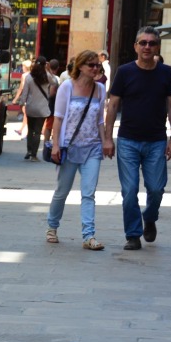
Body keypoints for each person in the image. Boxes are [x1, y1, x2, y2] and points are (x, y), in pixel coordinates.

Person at [103, 26, 171, 250]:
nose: (147, 47)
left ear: (158, 46)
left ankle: (150, 218)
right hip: (128, 140)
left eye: (152, 43)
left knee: (156, 189)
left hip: (156, 141)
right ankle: (133, 234)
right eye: (143, 43)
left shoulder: (165, 72)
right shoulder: (125, 72)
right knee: (129, 191)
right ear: (135, 46)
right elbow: (113, 104)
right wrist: (108, 138)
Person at [46, 50, 108, 250]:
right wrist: (56, 144)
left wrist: (105, 140)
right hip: (70, 148)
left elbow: (100, 120)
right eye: (91, 65)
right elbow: (58, 118)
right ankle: (52, 227)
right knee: (62, 191)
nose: (96, 68)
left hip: (92, 148)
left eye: (97, 65)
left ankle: (88, 235)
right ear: (80, 67)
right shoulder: (67, 87)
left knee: (89, 193)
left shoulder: (99, 89)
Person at [12, 56, 55, 161]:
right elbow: (55, 83)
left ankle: (29, 151)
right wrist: (49, 70)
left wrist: (21, 104)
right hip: (42, 108)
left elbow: (24, 93)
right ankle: (34, 155)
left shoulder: (29, 77)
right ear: (45, 65)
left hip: (31, 107)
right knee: (38, 131)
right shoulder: (47, 76)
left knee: (30, 131)